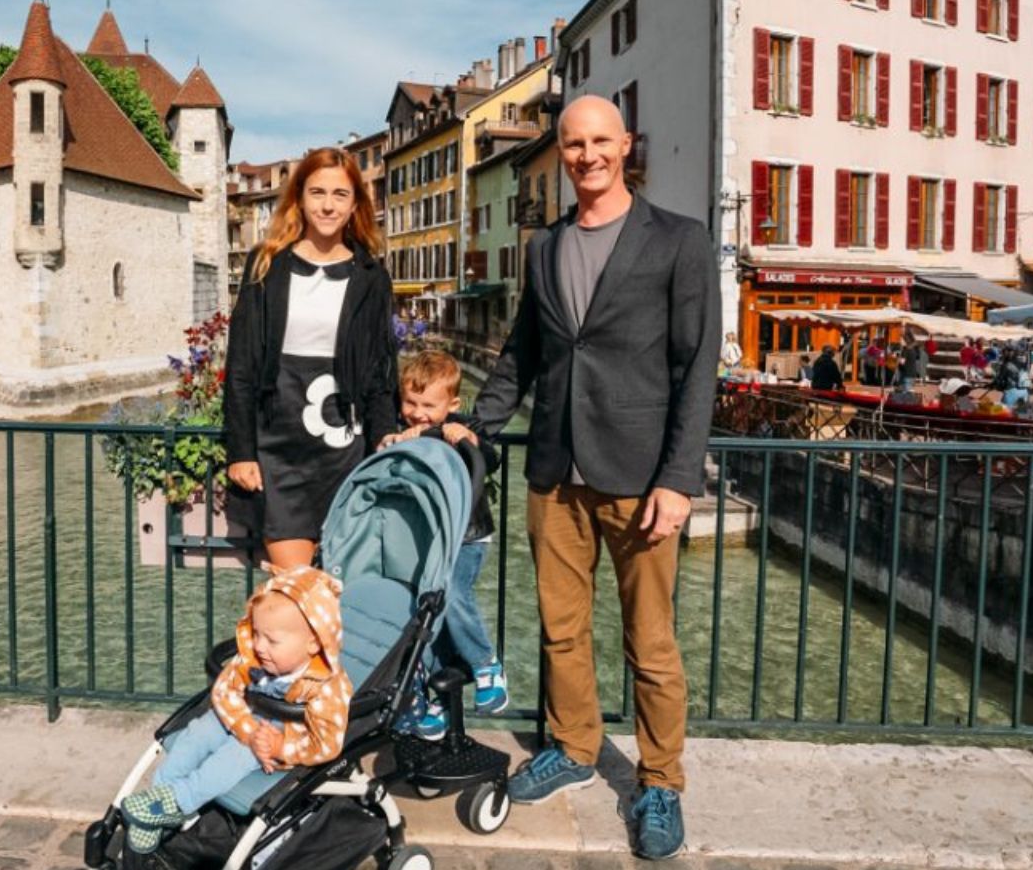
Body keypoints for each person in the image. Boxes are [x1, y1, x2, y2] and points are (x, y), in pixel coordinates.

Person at [471, 95, 719, 860]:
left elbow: (696, 366)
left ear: (626, 144)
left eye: (599, 141)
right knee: (561, 630)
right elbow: (522, 354)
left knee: (651, 643)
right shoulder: (544, 248)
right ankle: (575, 750)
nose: (586, 156)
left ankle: (660, 782)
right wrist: (472, 426)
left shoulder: (678, 240)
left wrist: (679, 480)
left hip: (641, 479)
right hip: (554, 473)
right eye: (573, 144)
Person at [225, 147, 397, 572]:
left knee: (345, 594)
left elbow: (381, 371)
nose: (327, 205)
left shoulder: (371, 276)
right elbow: (242, 365)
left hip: (345, 450)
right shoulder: (266, 265)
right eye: (317, 192)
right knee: (294, 593)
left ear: (355, 203)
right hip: (279, 450)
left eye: (340, 194)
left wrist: (384, 439)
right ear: (299, 197)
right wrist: (241, 451)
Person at [117, 567, 351, 854]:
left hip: (281, 734)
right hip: (244, 717)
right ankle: (158, 798)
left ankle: (177, 801)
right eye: (256, 634)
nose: (260, 646)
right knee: (197, 733)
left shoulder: (325, 685)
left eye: (272, 640)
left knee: (234, 757)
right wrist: (246, 727)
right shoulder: (254, 658)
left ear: (313, 643)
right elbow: (224, 691)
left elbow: (327, 743)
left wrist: (282, 747)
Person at [380, 349, 507, 739]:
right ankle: (433, 699)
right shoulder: (406, 430)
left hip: (466, 535)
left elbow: (489, 457)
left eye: (429, 406)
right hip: (429, 538)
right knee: (426, 617)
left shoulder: (460, 425)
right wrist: (392, 442)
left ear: (451, 404)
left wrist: (466, 437)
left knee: (451, 594)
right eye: (411, 403)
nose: (418, 413)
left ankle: (487, 667)